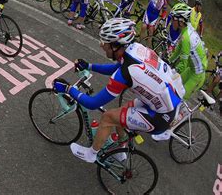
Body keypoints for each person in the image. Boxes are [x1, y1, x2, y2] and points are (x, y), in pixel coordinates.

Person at [53, 18, 184, 163]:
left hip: (160, 118)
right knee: (121, 113)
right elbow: (117, 67)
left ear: (116, 46)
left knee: (108, 117)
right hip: (167, 103)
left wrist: (67, 89)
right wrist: (89, 66)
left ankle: (91, 154)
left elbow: (92, 103)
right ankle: (120, 152)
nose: (102, 46)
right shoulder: (135, 49)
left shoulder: (125, 73)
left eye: (105, 43)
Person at [151, 3, 208, 141]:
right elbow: (178, 51)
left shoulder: (187, 37)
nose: (171, 21)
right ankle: (165, 115)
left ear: (181, 20)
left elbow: (182, 63)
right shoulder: (185, 31)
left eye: (173, 18)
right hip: (191, 69)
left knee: (178, 100)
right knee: (172, 88)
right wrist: (168, 61)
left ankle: (168, 130)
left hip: (197, 76)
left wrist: (171, 71)